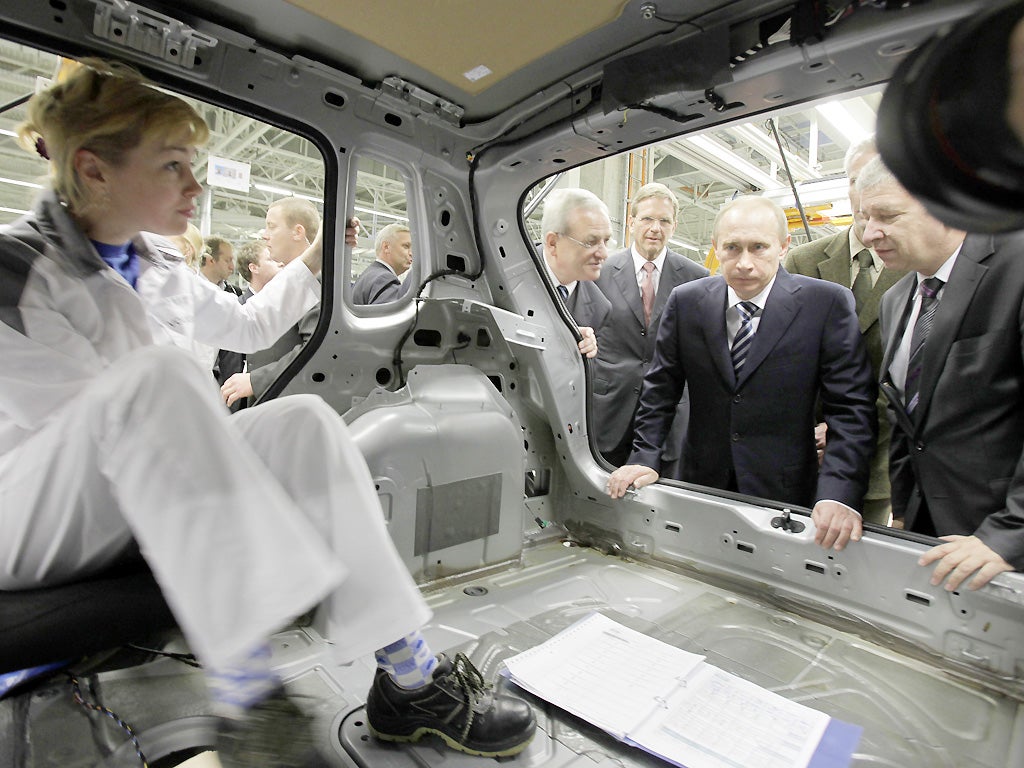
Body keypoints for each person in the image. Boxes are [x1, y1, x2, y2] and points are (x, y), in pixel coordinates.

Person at [0, 59, 535, 764]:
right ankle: (251, 697)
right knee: (158, 378)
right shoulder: (17, 268)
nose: (195, 186)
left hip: (138, 482)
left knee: (303, 421)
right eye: (172, 167)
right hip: (34, 517)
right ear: (95, 172)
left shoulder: (153, 263)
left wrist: (312, 263)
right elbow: (100, 429)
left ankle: (410, 682)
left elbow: (247, 329)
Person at [607, 196, 877, 553]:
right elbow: (661, 388)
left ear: (783, 247)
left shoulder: (825, 304)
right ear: (716, 247)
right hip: (702, 482)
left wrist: (839, 493)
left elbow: (851, 409)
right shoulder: (687, 301)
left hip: (785, 490)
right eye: (732, 248)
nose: (744, 263)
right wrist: (645, 456)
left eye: (758, 247)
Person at [860, 156, 1024, 591]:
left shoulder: (1016, 264)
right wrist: (902, 508)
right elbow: (907, 418)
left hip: (1001, 541)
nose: (868, 232)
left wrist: (1008, 534)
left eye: (886, 216)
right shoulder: (897, 300)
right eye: (864, 218)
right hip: (931, 532)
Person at [783, 138, 906, 526]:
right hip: (801, 450)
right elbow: (784, 359)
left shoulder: (914, 265)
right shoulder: (803, 260)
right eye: (855, 180)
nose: (863, 192)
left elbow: (906, 377)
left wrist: (842, 431)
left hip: (878, 458)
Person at [593, 182, 708, 472]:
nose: (655, 228)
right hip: (610, 410)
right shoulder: (600, 272)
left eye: (664, 221)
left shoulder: (698, 278)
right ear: (631, 222)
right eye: (647, 219)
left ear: (674, 226)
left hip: (669, 418)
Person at [221, 199, 323, 408]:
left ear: (297, 232)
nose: (264, 234)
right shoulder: (287, 281)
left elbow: (316, 349)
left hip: (289, 407)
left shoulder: (314, 283)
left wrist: (255, 380)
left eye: (272, 226)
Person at [540, 187, 610, 359]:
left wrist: (585, 352)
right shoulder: (505, 273)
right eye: (590, 242)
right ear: (553, 243)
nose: (603, 254)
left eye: (606, 241)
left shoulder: (599, 307)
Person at [352, 222, 413, 304]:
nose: (411, 253)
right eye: (406, 246)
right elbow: (388, 315)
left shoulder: (371, 275)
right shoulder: (383, 278)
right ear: (386, 247)